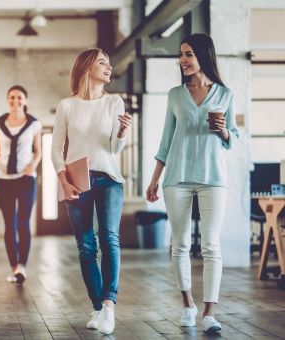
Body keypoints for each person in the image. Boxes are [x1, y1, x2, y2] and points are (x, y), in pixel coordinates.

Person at [145, 33, 239, 334]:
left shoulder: (226, 94)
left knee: (211, 245)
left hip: (213, 178)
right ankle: (188, 305)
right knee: (180, 243)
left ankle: (210, 312)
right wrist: (154, 179)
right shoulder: (175, 95)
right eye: (181, 54)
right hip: (177, 178)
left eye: (187, 54)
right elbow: (166, 141)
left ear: (202, 56)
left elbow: (233, 140)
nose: (181, 60)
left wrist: (224, 132)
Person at [51, 48, 132, 335]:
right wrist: (64, 181)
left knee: (110, 238)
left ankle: (109, 305)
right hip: (77, 181)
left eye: (109, 64)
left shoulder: (114, 102)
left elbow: (114, 148)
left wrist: (123, 131)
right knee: (86, 247)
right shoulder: (67, 106)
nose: (109, 67)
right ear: (87, 67)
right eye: (102, 62)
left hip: (109, 178)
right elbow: (56, 149)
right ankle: (97, 307)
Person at [0, 85, 42, 284]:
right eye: (12, 97)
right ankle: (14, 266)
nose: (15, 101)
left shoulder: (34, 124)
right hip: (4, 179)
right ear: (7, 100)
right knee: (9, 224)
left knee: (23, 222)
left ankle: (22, 266)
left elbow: (38, 151)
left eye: (19, 97)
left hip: (26, 179)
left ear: (25, 100)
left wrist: (32, 166)